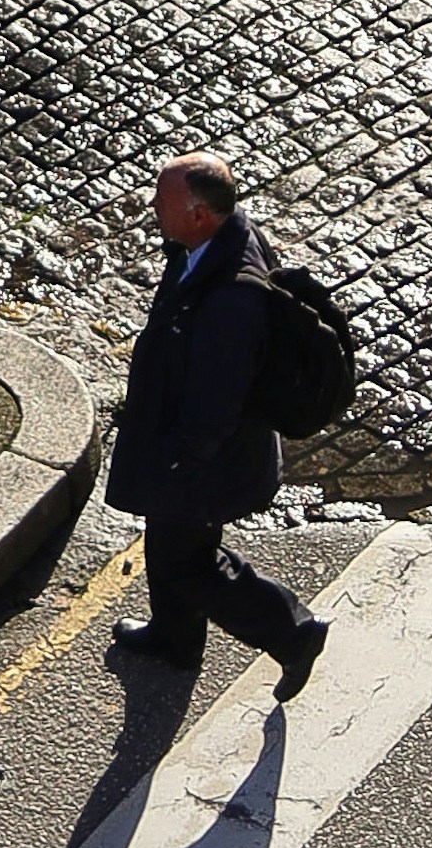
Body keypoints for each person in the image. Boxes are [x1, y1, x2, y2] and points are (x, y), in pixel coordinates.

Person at [103, 154, 328, 693]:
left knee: (189, 561)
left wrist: (181, 456)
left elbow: (217, 396)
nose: (153, 207)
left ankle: (293, 633)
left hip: (207, 458)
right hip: (194, 445)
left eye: (164, 201)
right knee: (166, 541)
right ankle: (174, 639)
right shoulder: (212, 244)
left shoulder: (232, 298)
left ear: (200, 214)